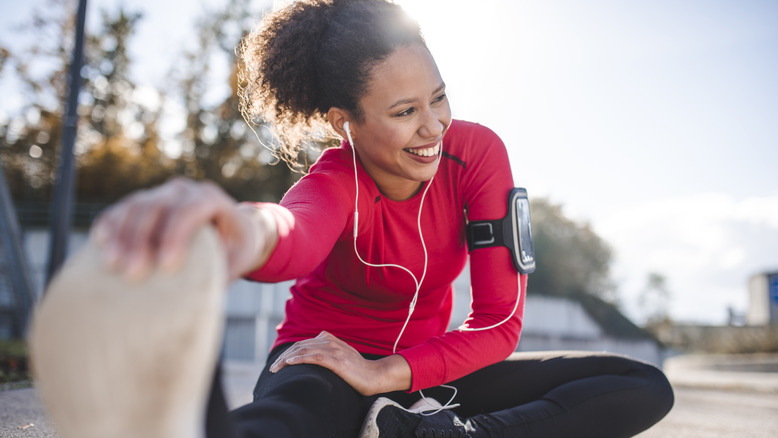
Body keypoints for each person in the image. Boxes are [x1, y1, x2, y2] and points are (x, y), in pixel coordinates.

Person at [33, 0, 674, 437]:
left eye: (440, 97)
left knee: (639, 385)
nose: (433, 128)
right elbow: (291, 233)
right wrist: (231, 227)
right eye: (403, 112)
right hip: (325, 361)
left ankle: (443, 435)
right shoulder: (335, 180)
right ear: (347, 123)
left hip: (424, 373)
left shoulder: (477, 154)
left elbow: (500, 324)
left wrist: (391, 377)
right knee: (293, 417)